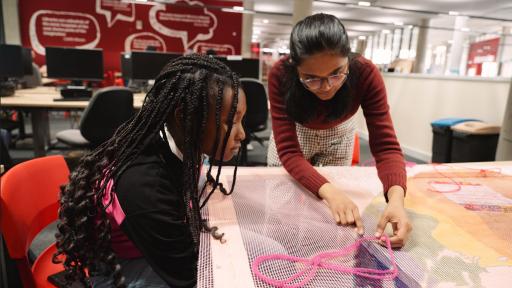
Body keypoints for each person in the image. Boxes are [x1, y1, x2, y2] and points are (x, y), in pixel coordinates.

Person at [54, 54, 247, 287]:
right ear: (185, 118)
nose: (242, 134)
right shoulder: (143, 184)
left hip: (159, 246)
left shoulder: (182, 142)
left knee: (253, 249)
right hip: (120, 266)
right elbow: (188, 277)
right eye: (231, 122)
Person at [267, 13, 412, 248]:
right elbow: (290, 153)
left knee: (335, 210)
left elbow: (386, 147)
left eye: (337, 73)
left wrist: (396, 199)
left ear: (348, 59)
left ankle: (322, 246)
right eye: (311, 78)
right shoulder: (280, 75)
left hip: (339, 133)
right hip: (297, 133)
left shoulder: (365, 73)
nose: (327, 87)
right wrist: (330, 192)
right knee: (282, 203)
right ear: (295, 69)